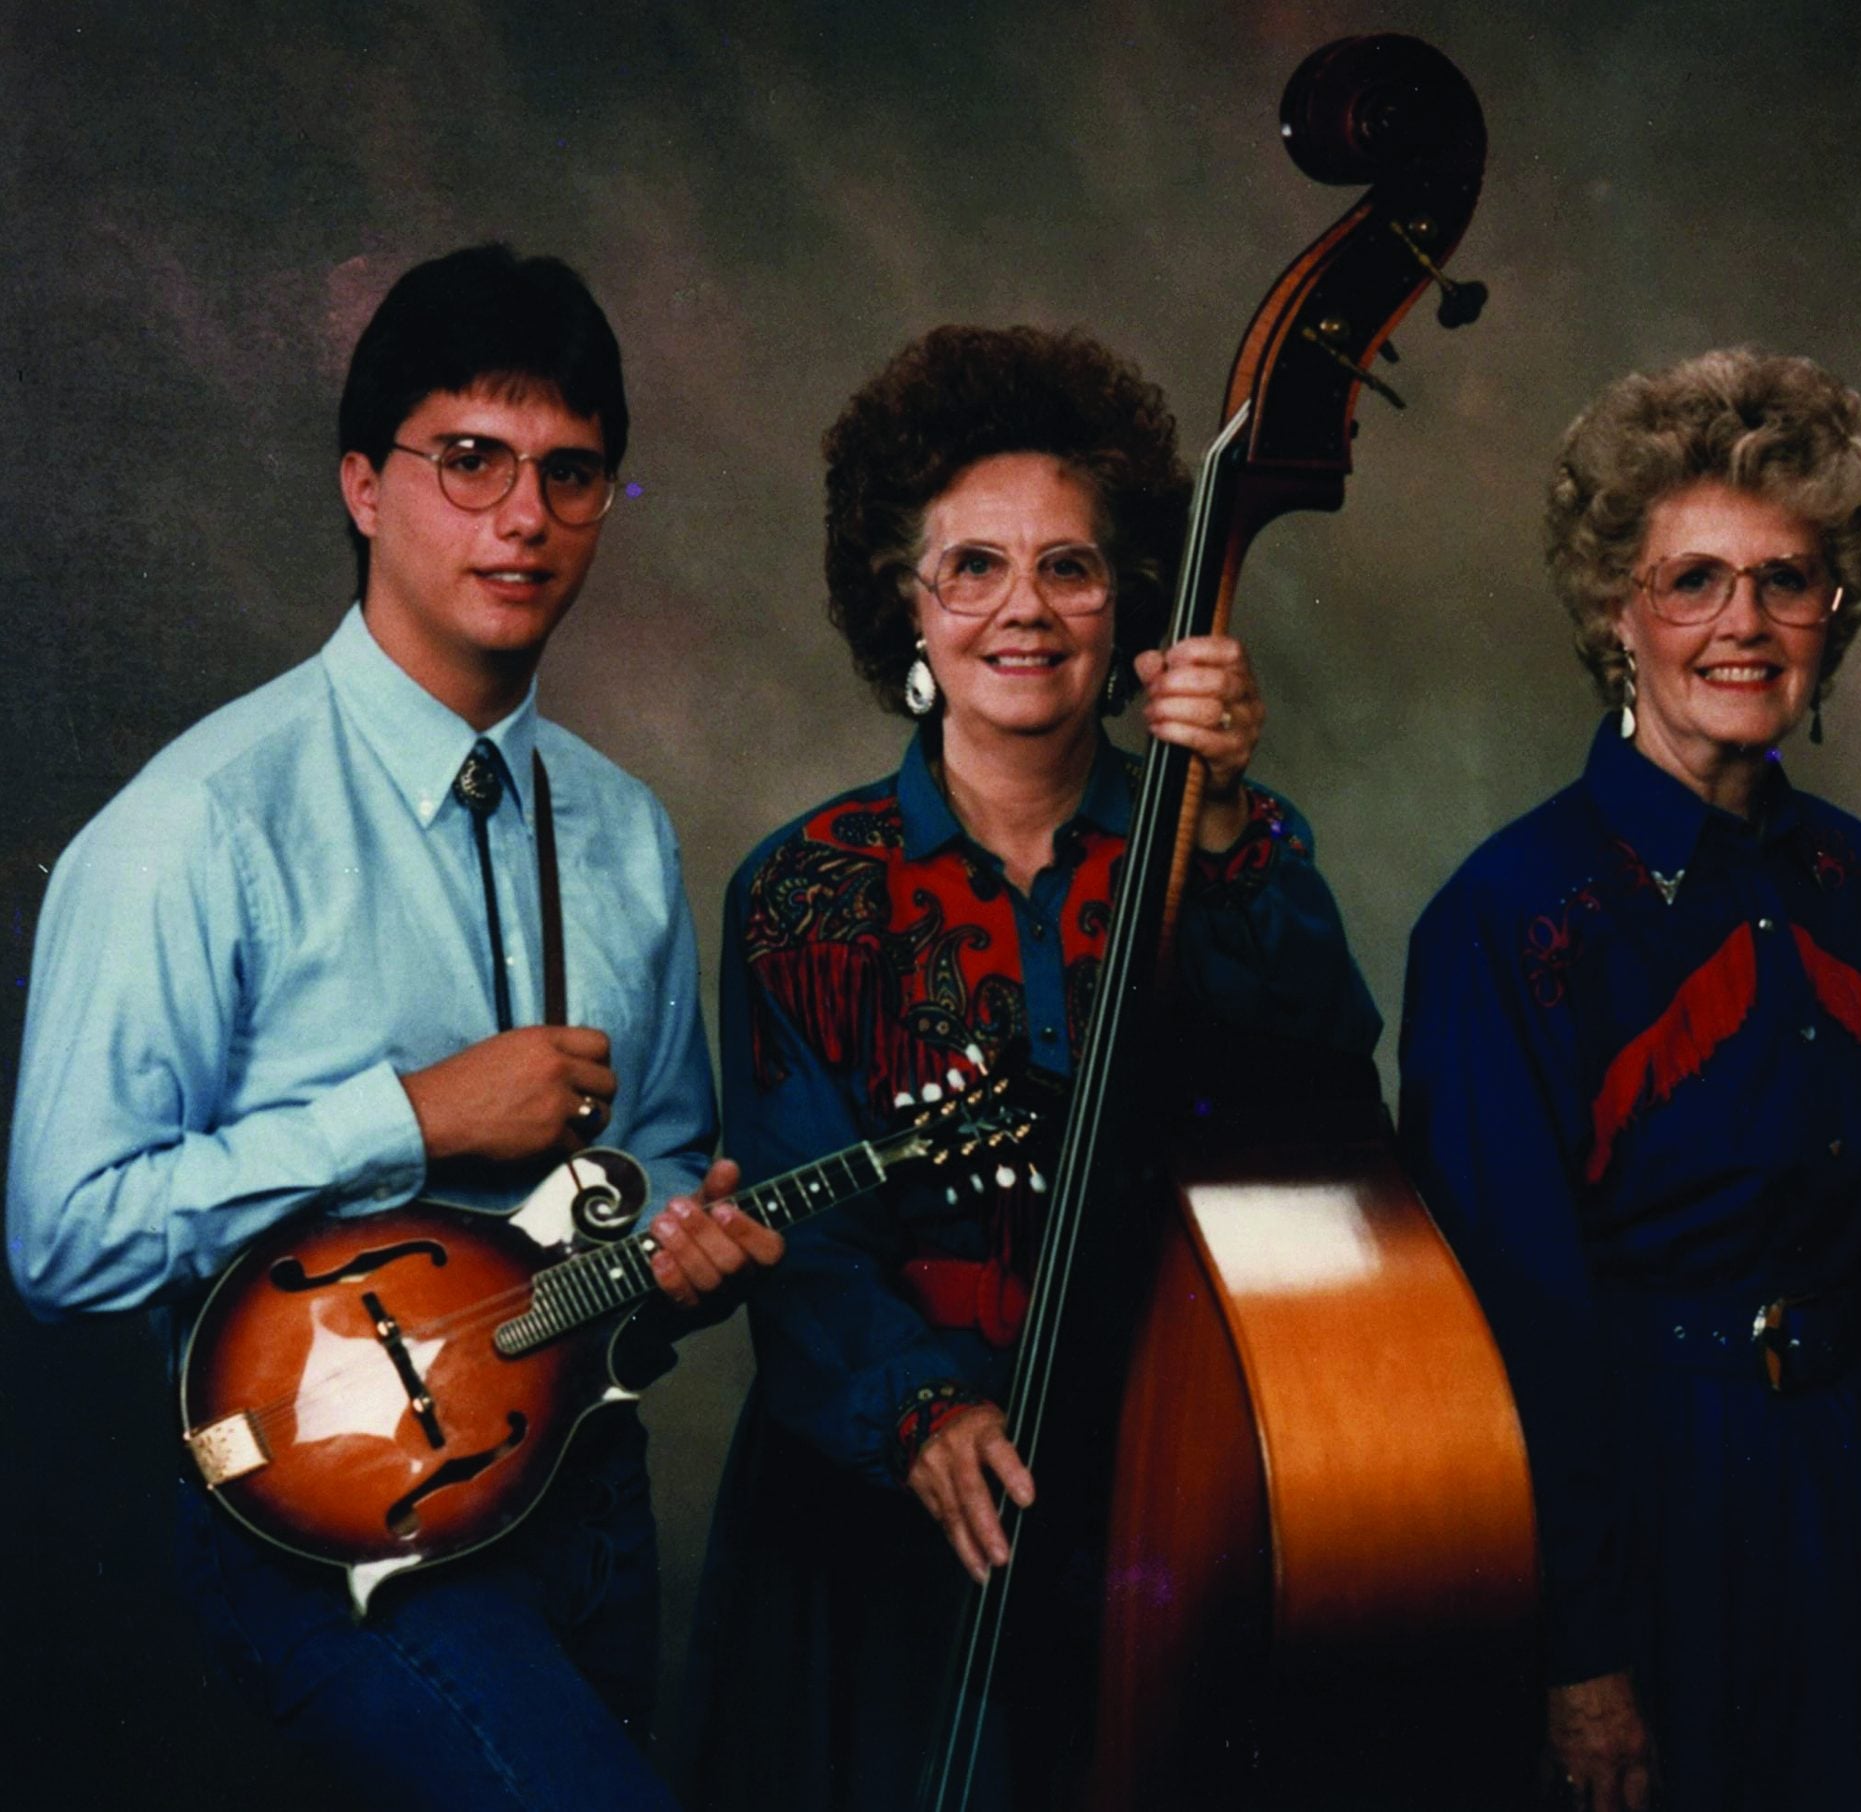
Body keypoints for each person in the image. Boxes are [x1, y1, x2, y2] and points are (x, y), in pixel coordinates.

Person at [6, 244, 780, 1811]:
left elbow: (667, 1158)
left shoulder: (624, 830)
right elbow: (62, 1231)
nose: (525, 517)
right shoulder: (198, 826)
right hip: (336, 1525)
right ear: (364, 485)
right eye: (471, 460)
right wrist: (410, 1117)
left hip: (586, 1497)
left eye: (574, 475)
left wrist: (690, 1256)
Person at [678, 323, 1381, 1809]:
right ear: (908, 607)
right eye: (972, 567)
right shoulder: (804, 887)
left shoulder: (1224, 840)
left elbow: (1331, 1107)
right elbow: (801, 1224)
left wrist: (1226, 824)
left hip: (1167, 1484)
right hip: (885, 1514)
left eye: (1069, 565)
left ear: (1130, 602)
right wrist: (927, 1413)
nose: (1026, 609)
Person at [1398, 349, 1861, 1812]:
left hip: (1847, 1480)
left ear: (1838, 608)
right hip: (1634, 1493)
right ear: (1617, 613)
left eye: (1788, 580)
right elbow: (1506, 1322)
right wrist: (1584, 1655)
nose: (1743, 625)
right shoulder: (1509, 917)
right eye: (1693, 581)